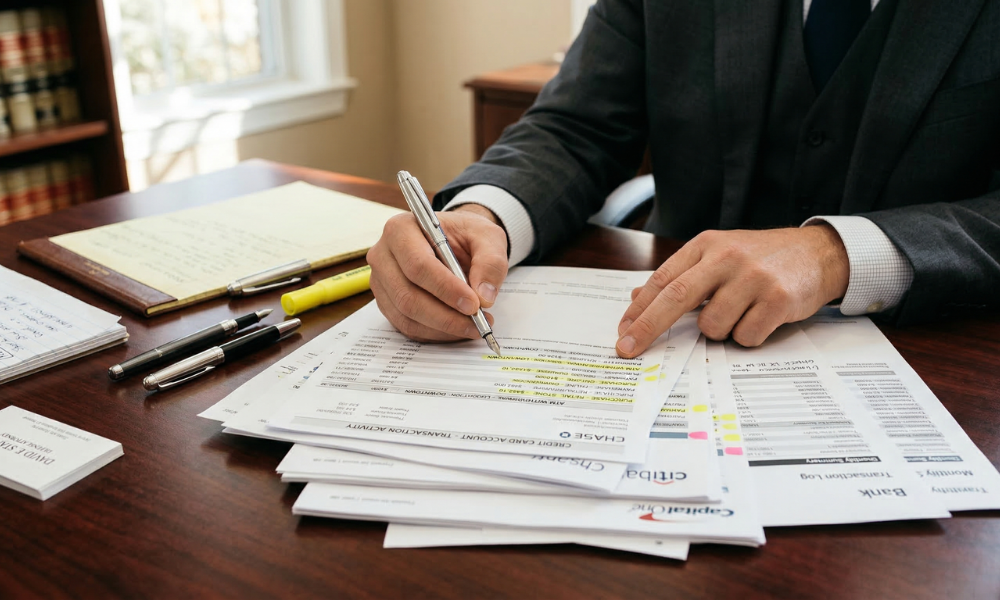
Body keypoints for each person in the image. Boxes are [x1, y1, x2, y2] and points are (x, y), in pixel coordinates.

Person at [367, 0, 1000, 359]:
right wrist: (482, 216)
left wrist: (836, 253)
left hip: (940, 354)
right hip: (675, 344)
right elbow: (576, 125)